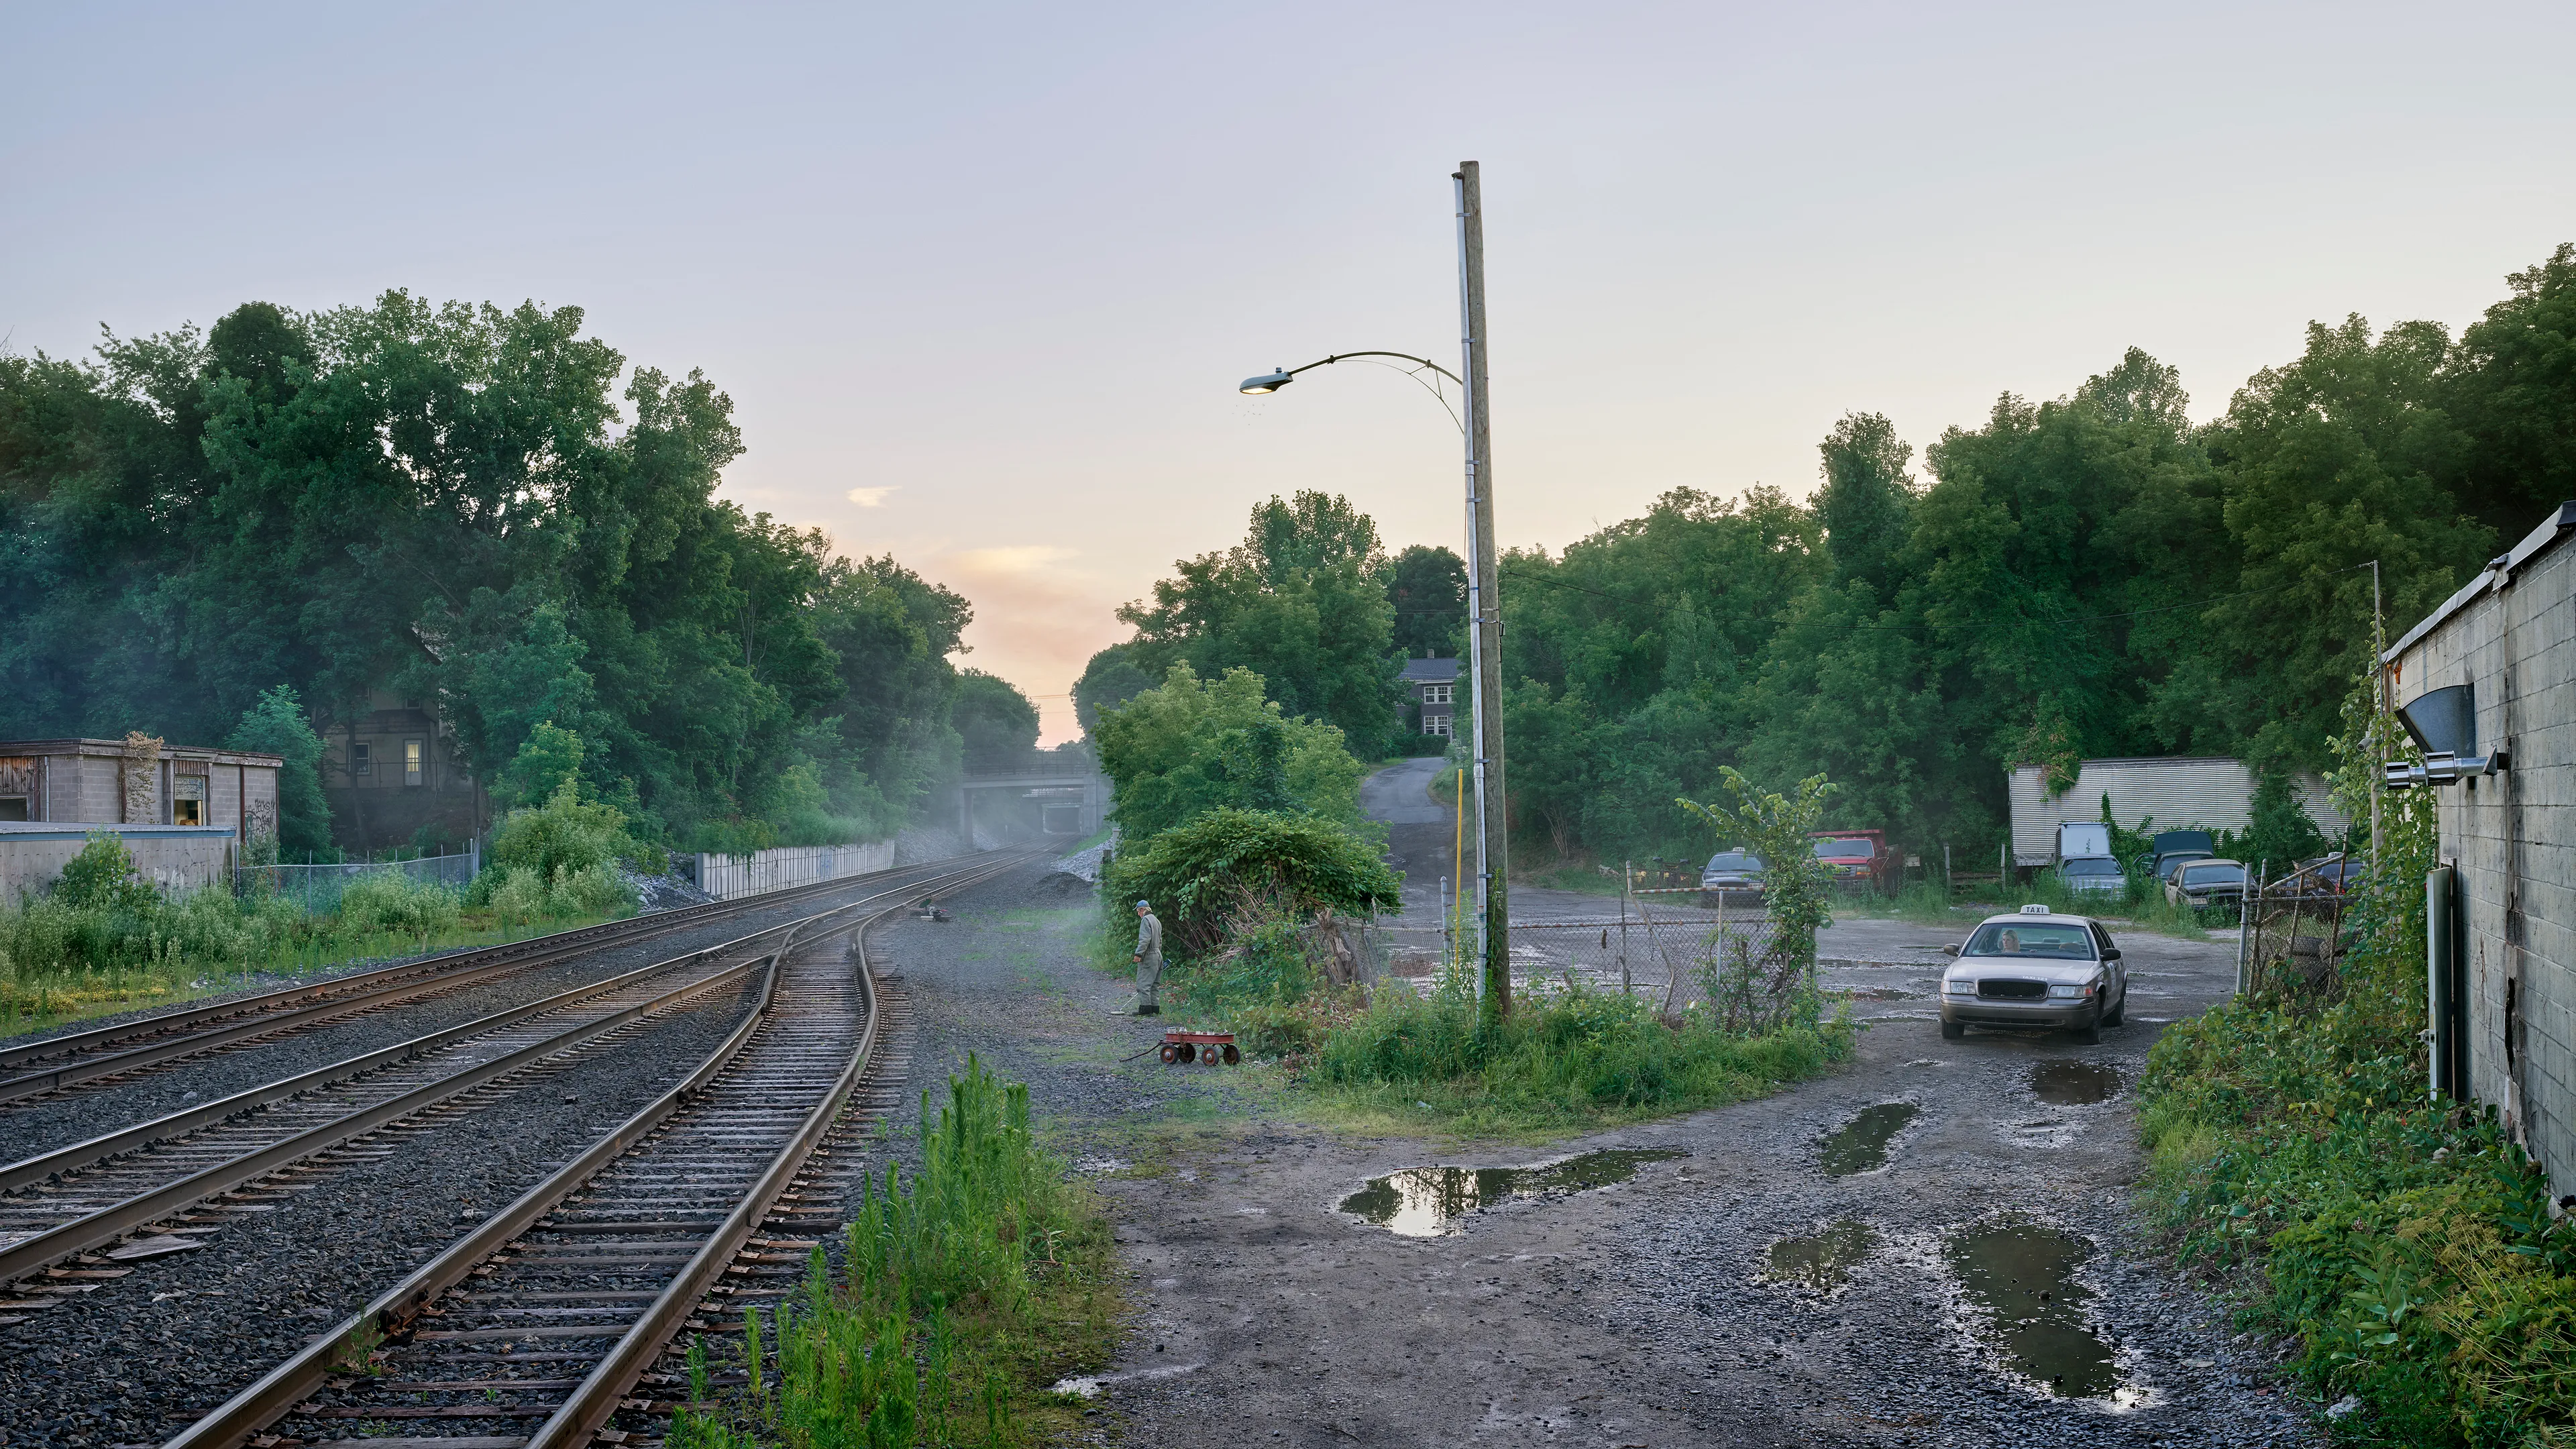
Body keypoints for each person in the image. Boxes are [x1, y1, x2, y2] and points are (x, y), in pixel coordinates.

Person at [1132, 898, 1164, 1016]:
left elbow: (1145, 939)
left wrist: (1138, 953)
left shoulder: (1146, 920)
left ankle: (1145, 1010)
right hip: (1158, 954)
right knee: (1155, 984)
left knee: (1143, 984)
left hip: (1149, 954)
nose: (1138, 914)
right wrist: (1157, 954)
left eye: (1138, 912)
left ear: (1142, 909)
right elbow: (1160, 940)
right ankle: (1155, 1009)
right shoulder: (1156, 920)